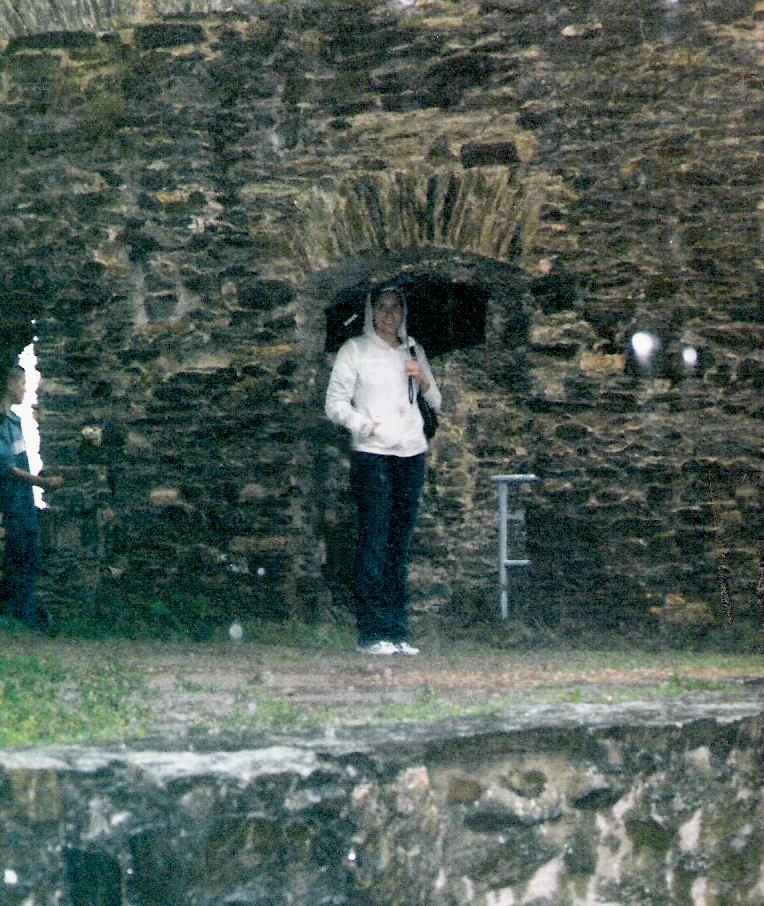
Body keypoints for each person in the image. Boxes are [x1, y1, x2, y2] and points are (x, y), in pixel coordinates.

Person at [325, 287, 442, 655]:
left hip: (412, 454)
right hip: (374, 455)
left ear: (403, 313)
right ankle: (372, 633)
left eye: (396, 308)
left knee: (399, 545)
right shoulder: (354, 350)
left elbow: (437, 401)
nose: (389, 315)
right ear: (371, 312)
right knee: (374, 541)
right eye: (382, 308)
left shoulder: (413, 349)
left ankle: (397, 631)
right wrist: (365, 426)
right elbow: (335, 404)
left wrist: (422, 378)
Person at [0, 363, 63, 632]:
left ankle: (21, 613)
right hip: (11, 500)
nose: (25, 389)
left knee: (26, 555)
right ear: (10, 385)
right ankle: (21, 615)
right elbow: (6, 467)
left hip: (22, 499)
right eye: (22, 383)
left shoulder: (13, 420)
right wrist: (42, 482)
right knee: (22, 556)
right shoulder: (2, 422)